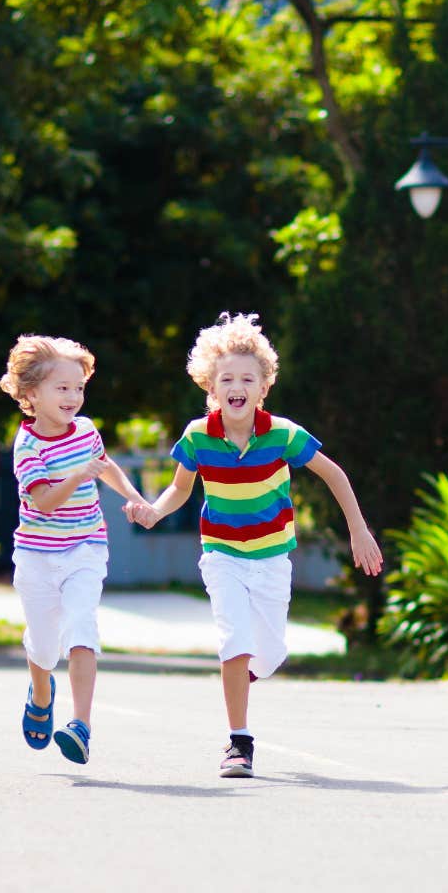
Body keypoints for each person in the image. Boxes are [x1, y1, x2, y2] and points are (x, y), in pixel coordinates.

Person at [127, 312, 383, 779]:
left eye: (248, 378)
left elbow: (334, 474)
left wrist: (358, 529)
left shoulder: (282, 433)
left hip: (271, 559)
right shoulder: (197, 435)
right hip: (222, 555)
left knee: (269, 654)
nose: (237, 386)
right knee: (235, 642)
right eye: (227, 378)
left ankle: (240, 675)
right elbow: (181, 490)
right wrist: (152, 510)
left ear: (264, 387)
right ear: (211, 387)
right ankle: (238, 743)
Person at [0, 333, 147, 765]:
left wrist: (133, 497)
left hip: (85, 547)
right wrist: (79, 475)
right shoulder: (26, 446)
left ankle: (80, 725)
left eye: (79, 387)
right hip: (37, 556)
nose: (73, 397)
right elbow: (42, 502)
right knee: (44, 648)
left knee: (83, 628)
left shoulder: (85, 431)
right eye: (62, 388)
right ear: (31, 394)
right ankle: (41, 692)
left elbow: (106, 467)